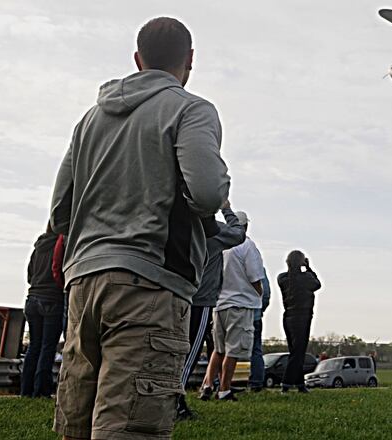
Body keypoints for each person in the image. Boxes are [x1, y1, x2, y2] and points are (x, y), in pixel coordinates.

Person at [49, 17, 230, 440]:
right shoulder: (191, 109)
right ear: (190, 60)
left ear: (137, 59)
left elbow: (60, 213)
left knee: (77, 422)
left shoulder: (90, 119)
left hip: (82, 285)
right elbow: (206, 193)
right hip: (149, 284)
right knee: (129, 426)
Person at [177, 204, 245, 418]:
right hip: (200, 299)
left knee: (174, 350)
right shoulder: (214, 232)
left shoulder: (180, 224)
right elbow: (238, 234)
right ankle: (175, 402)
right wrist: (227, 209)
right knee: (190, 354)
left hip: (175, 294)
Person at [200, 223, 268, 401]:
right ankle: (224, 389)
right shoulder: (246, 244)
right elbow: (254, 275)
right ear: (245, 226)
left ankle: (207, 385)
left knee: (218, 349)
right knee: (233, 350)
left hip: (219, 303)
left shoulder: (221, 245)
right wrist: (259, 294)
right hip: (240, 303)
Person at [20, 226, 65, 398]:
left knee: (34, 346)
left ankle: (26, 391)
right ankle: (40, 392)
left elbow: (29, 275)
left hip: (32, 299)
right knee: (47, 347)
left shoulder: (38, 246)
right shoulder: (61, 245)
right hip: (52, 299)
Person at [278, 250, 321, 393]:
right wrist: (308, 268)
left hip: (288, 316)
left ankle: (300, 384)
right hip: (302, 317)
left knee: (295, 351)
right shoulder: (307, 278)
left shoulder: (282, 278)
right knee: (299, 352)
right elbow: (317, 284)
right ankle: (286, 383)